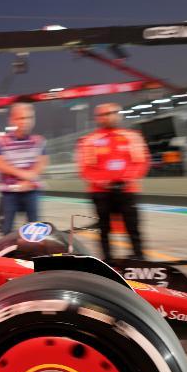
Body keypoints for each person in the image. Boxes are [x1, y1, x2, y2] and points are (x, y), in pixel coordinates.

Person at [76, 102, 149, 260]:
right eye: (103, 114)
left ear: (119, 114)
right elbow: (85, 168)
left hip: (127, 190)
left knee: (133, 227)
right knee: (104, 229)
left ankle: (139, 258)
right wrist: (106, 182)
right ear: (97, 118)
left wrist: (125, 180)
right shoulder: (89, 140)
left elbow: (142, 162)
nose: (108, 117)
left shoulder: (133, 137)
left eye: (112, 113)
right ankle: (107, 260)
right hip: (100, 192)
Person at [0, 103, 47, 234]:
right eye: (21, 118)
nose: (25, 122)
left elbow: (41, 164)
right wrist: (25, 176)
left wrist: (27, 181)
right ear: (11, 120)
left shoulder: (39, 141)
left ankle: (33, 254)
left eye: (29, 118)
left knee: (34, 232)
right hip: (9, 193)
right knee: (6, 231)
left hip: (32, 191)